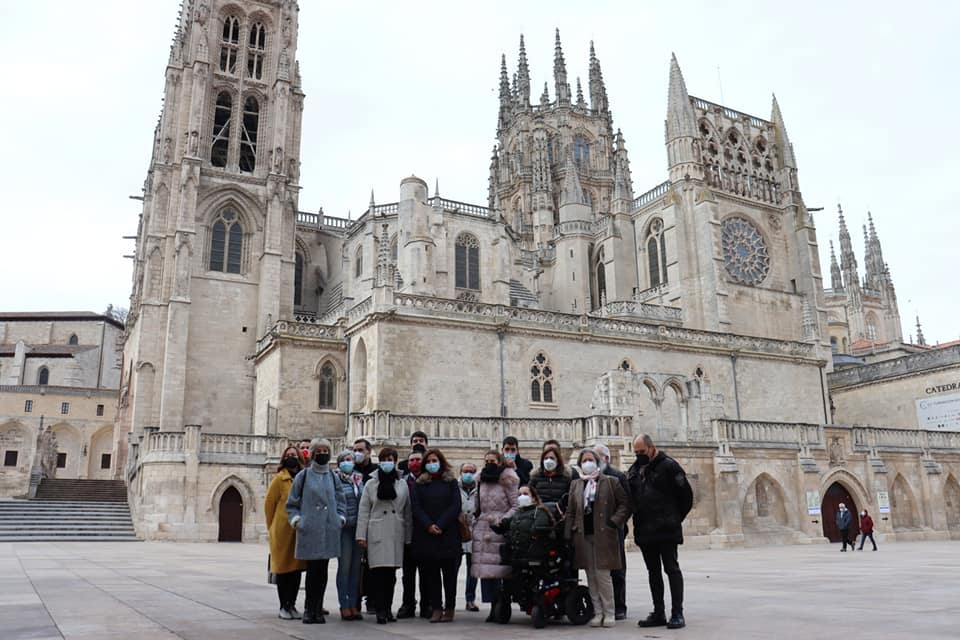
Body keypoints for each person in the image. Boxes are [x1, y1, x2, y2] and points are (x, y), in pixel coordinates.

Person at [628, 434, 693, 630]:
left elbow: (686, 497)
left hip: (666, 529)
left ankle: (677, 613)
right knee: (653, 572)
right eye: (636, 452)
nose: (640, 455)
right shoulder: (635, 469)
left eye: (642, 451)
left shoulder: (669, 466)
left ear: (651, 447)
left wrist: (673, 518)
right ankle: (658, 612)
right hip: (645, 530)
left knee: (671, 569)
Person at [565, 448, 630, 628]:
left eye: (590, 459)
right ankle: (597, 612)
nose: (587, 463)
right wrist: (568, 533)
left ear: (597, 461)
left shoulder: (611, 482)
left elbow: (624, 504)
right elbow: (571, 511)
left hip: (604, 535)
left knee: (604, 575)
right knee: (591, 576)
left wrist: (614, 523)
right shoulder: (576, 484)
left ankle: (609, 612)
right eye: (584, 460)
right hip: (583, 535)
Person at [286, 438, 347, 624]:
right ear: (312, 454)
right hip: (310, 529)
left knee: (323, 571)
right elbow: (292, 503)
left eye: (325, 450)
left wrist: (340, 519)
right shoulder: (303, 476)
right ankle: (308, 609)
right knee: (312, 571)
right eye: (318, 451)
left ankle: (318, 609)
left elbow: (341, 500)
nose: (322, 454)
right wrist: (297, 521)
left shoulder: (333, 476)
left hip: (329, 529)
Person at [356, 447, 413, 625]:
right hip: (377, 532)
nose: (387, 462)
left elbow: (408, 512)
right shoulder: (371, 483)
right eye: (384, 459)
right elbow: (364, 511)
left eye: (390, 459)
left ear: (395, 461)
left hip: (396, 531)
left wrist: (408, 537)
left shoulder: (402, 483)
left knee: (391, 575)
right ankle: (379, 609)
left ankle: (387, 608)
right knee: (378, 574)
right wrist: (361, 535)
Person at [411, 449, 463, 623]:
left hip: (448, 533)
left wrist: (441, 524)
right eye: (429, 461)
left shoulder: (451, 482)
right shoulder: (420, 483)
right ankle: (436, 608)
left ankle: (449, 608)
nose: (432, 464)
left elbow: (455, 505)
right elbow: (416, 507)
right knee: (432, 576)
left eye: (435, 460)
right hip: (428, 535)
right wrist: (429, 525)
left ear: (441, 461)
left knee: (450, 576)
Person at [472, 449, 520, 622]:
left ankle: (503, 606)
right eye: (486, 462)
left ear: (499, 462)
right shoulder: (481, 480)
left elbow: (515, 506)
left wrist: (502, 520)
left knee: (502, 571)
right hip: (484, 528)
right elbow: (478, 505)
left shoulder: (508, 479)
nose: (489, 464)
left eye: (492, 461)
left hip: (501, 529)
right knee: (487, 571)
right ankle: (493, 606)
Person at [265, 446, 307, 620]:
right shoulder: (279, 480)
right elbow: (269, 506)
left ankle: (292, 604)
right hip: (282, 531)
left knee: (296, 570)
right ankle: (283, 606)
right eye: (288, 455)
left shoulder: (304, 478)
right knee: (283, 570)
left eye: (294, 455)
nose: (292, 458)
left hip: (300, 530)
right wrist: (273, 527)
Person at [595, 443, 630, 621]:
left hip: (614, 530)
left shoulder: (618, 476)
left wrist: (615, 523)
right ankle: (602, 606)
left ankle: (619, 606)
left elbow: (626, 504)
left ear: (607, 458)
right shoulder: (589, 477)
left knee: (617, 569)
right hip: (594, 530)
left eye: (598, 456)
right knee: (598, 570)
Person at [397, 448, 429, 619]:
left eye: (418, 460)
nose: (414, 463)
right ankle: (408, 603)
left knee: (426, 572)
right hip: (406, 532)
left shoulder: (429, 481)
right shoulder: (401, 482)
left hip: (425, 533)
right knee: (407, 573)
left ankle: (426, 604)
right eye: (411, 460)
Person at [334, 450, 365, 621]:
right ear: (339, 463)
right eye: (344, 460)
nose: (348, 462)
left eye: (350, 460)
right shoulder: (335, 479)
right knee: (344, 568)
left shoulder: (359, 479)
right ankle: (344, 604)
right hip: (344, 528)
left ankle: (354, 604)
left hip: (358, 528)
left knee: (355, 569)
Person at [528, 446, 577, 511]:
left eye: (552, 458)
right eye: (546, 458)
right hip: (540, 513)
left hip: (560, 513)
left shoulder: (566, 477)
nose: (548, 461)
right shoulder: (535, 477)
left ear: (558, 460)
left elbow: (569, 498)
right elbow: (529, 494)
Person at [459, 462, 480, 612]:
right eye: (465, 471)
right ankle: (449, 600)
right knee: (452, 568)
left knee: (472, 569)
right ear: (460, 473)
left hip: (474, 531)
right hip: (458, 531)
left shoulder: (479, 489)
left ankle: (470, 599)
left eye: (471, 471)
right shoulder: (454, 488)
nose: (468, 474)